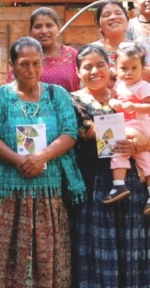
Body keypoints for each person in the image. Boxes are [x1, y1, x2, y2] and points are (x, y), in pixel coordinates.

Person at [0, 36, 85, 287]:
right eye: (23, 64)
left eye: (36, 63)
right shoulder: (0, 96)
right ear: (11, 65)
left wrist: (42, 156)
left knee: (44, 256)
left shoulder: (57, 95)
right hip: (5, 194)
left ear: (43, 63)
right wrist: (19, 161)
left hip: (47, 193)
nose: (31, 70)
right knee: (5, 255)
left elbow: (70, 132)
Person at [70, 43, 150, 286]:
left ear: (110, 68)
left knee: (132, 243)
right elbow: (86, 131)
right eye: (87, 67)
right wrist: (130, 134)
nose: (95, 71)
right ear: (78, 73)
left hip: (131, 181)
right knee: (100, 245)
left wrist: (142, 142)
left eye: (100, 65)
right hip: (95, 182)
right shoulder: (73, 100)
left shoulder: (124, 93)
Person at [102, 43, 150, 213]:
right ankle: (119, 185)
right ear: (116, 68)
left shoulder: (143, 86)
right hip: (124, 124)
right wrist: (112, 101)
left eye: (134, 68)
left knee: (145, 159)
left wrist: (133, 107)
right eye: (123, 68)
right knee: (118, 151)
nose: (128, 72)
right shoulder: (119, 85)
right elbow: (113, 99)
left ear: (142, 68)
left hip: (141, 125)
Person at [8, 7, 79, 92]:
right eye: (38, 27)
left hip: (68, 105)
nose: (44, 31)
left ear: (58, 28)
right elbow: (11, 90)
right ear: (30, 31)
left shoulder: (73, 55)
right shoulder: (22, 57)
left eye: (49, 25)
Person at [92, 0, 150, 88]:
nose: (113, 17)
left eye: (118, 13)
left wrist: (117, 74)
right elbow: (91, 79)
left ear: (127, 21)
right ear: (99, 26)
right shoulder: (92, 51)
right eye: (106, 15)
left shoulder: (141, 47)